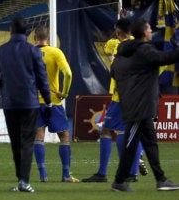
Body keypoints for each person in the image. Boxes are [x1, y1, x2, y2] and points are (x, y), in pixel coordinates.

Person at [109, 18, 179, 192]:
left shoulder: (124, 52)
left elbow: (114, 71)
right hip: (139, 107)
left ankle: (161, 179)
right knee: (130, 144)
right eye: (149, 28)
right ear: (144, 32)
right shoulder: (143, 49)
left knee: (150, 143)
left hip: (137, 105)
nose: (150, 30)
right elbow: (164, 58)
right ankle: (119, 181)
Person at [0, 17, 51, 193]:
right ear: (27, 32)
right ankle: (24, 181)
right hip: (30, 102)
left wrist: (5, 88)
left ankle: (21, 181)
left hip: (9, 102)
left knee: (16, 142)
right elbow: (42, 79)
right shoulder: (34, 51)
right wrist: (48, 100)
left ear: (11, 30)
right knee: (27, 142)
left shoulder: (0, 50)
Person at [82, 18, 147, 183]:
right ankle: (130, 171)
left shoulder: (116, 46)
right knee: (130, 131)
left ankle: (111, 173)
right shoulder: (139, 45)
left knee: (112, 131)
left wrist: (116, 31)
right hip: (137, 95)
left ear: (117, 32)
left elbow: (107, 46)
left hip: (120, 95)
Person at [32, 25, 78, 183]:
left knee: (38, 137)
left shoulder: (29, 52)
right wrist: (64, 93)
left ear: (34, 39)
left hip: (34, 102)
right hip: (53, 101)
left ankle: (43, 175)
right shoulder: (56, 52)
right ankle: (66, 175)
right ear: (49, 39)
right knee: (64, 136)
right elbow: (68, 73)